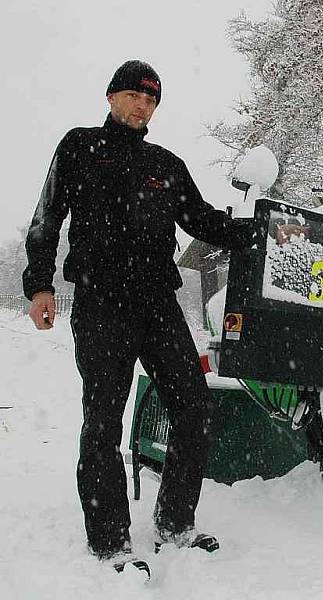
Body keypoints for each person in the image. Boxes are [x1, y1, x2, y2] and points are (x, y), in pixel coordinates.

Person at [23, 60, 252, 575]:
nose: (141, 106)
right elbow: (47, 217)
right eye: (133, 95)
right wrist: (39, 284)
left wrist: (262, 228)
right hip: (101, 301)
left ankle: (175, 524)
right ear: (111, 97)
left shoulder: (165, 163)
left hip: (157, 303)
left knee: (193, 405)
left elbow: (204, 221)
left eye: (150, 100)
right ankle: (109, 544)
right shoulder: (80, 147)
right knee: (103, 417)